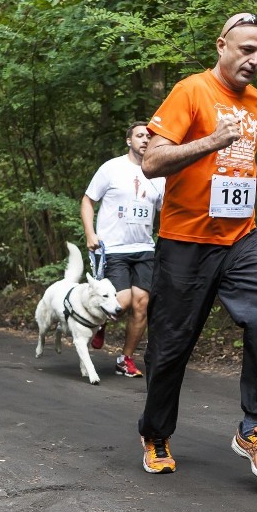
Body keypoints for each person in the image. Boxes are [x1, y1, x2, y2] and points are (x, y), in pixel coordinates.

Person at [137, 13, 257, 479]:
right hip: (185, 242)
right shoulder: (191, 90)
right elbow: (151, 162)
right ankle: (156, 434)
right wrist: (209, 141)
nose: (254, 59)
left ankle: (253, 427)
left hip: (240, 237)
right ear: (222, 45)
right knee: (170, 348)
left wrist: (254, 175)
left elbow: (235, 158)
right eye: (246, 49)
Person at [80, 122, 164, 379]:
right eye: (139, 135)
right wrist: (90, 233)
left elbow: (166, 211)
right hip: (113, 248)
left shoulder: (159, 175)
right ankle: (103, 319)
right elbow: (87, 200)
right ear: (129, 140)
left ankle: (125, 359)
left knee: (142, 304)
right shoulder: (112, 168)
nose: (144, 140)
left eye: (149, 137)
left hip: (144, 248)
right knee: (122, 302)